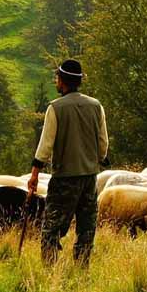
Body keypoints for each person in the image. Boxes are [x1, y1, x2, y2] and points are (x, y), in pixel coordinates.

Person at [27, 59, 109, 267]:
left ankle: (50, 270)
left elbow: (45, 145)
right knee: (86, 227)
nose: (55, 81)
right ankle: (82, 268)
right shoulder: (95, 106)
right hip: (90, 178)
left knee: (52, 227)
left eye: (57, 78)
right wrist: (97, 160)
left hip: (64, 178)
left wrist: (35, 173)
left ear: (62, 81)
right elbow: (103, 143)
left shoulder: (55, 108)